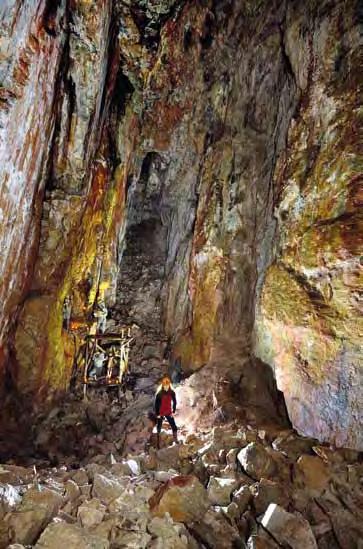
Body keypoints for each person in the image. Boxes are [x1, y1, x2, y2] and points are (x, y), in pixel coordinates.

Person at [154, 375, 178, 448]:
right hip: (160, 412)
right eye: (165, 385)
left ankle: (175, 440)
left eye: (167, 385)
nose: (166, 387)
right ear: (162, 385)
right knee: (159, 427)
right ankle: (158, 444)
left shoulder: (172, 392)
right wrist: (157, 414)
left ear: (169, 385)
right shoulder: (159, 394)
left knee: (174, 426)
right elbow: (156, 404)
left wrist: (173, 411)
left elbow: (174, 402)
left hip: (168, 411)